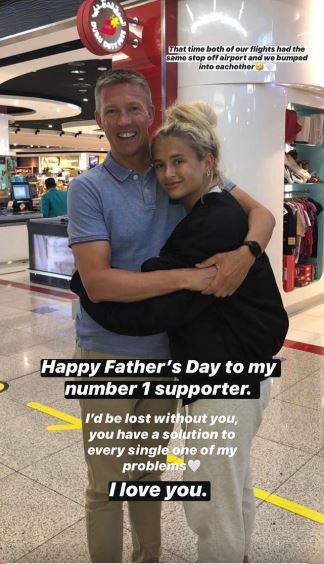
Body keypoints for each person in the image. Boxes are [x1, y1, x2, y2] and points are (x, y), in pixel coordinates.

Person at [67, 69, 276, 563]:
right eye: (112, 111)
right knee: (106, 483)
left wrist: (246, 254)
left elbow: (263, 215)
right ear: (98, 119)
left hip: (165, 355)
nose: (124, 120)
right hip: (105, 354)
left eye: (133, 108)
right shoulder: (88, 189)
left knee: (147, 477)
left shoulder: (177, 170)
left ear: (150, 113)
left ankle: (149, 558)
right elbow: (99, 283)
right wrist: (188, 278)